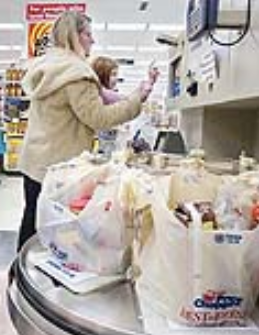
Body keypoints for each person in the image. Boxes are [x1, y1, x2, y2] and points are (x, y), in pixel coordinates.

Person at [17, 10, 158, 251]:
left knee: (32, 219)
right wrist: (137, 100)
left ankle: (19, 275)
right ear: (75, 35)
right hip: (59, 169)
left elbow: (99, 96)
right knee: (57, 229)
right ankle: (49, 281)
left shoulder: (49, 66)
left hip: (34, 161)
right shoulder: (76, 74)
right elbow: (99, 118)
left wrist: (133, 93)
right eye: (88, 34)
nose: (92, 40)